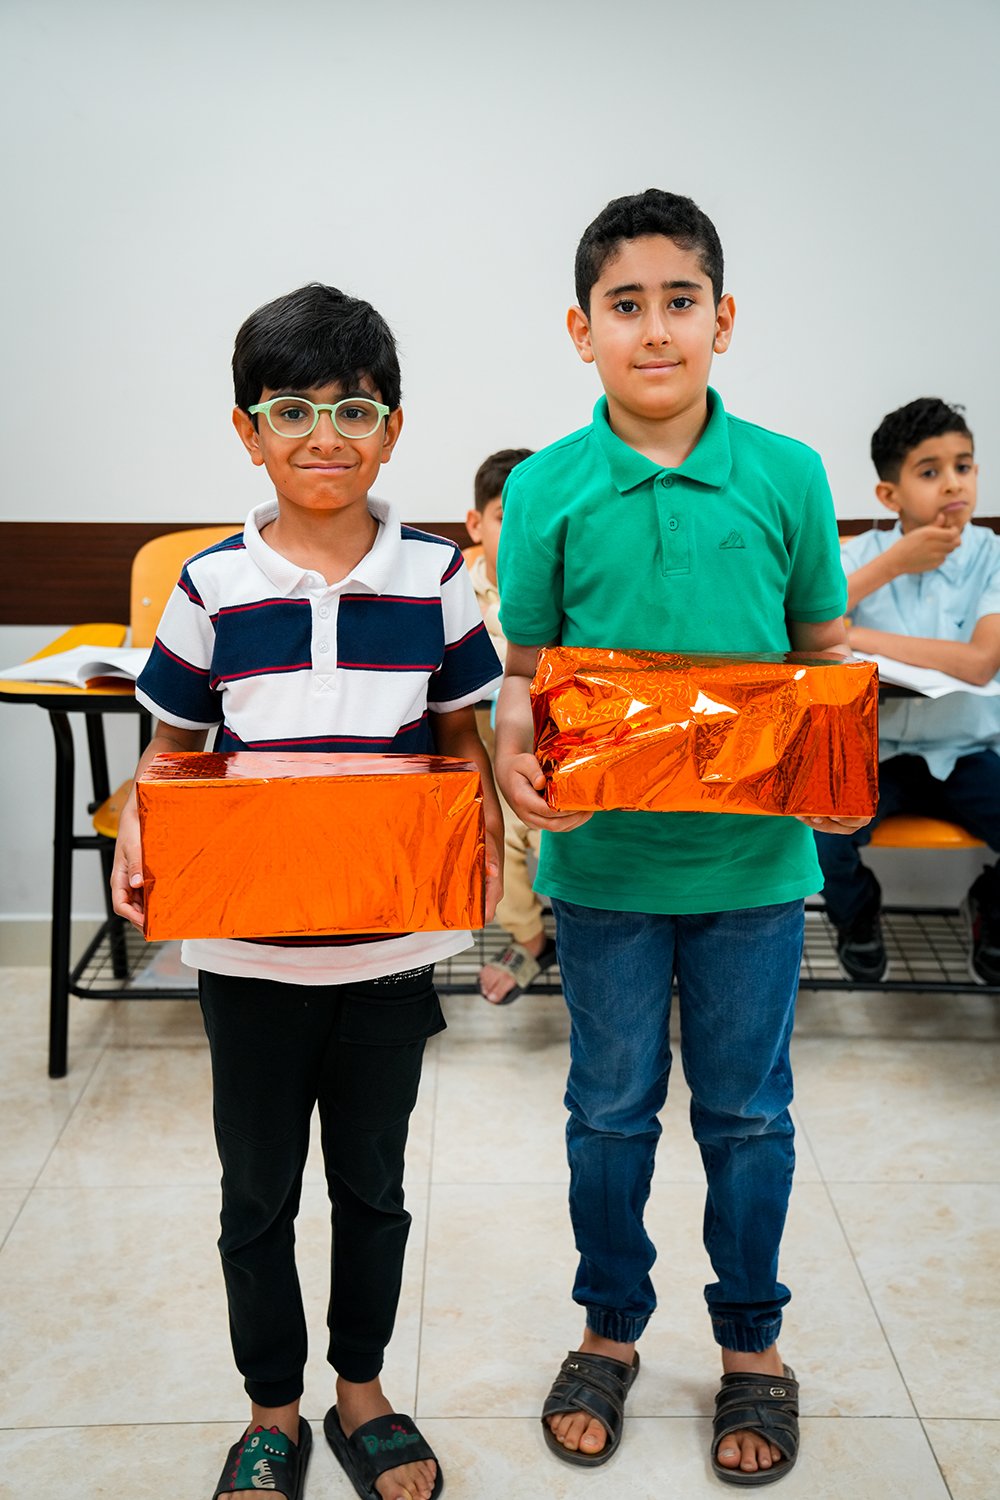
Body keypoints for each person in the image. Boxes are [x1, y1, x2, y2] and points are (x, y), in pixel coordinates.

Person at [493, 189, 868, 1485]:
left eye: (679, 301)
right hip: (602, 868)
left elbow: (820, 655)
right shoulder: (544, 486)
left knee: (748, 1115)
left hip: (753, 872)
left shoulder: (789, 474)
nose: (654, 330)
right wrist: (511, 750)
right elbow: (526, 670)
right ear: (581, 330)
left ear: (723, 318)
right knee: (608, 1112)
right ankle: (609, 1327)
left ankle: (753, 1346)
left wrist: (838, 770)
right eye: (625, 305)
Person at [110, 282, 504, 1500]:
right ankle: (271, 1410)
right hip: (249, 955)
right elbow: (172, 750)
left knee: (372, 1190)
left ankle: (362, 1392)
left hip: (389, 950)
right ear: (248, 431)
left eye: (352, 410)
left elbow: (461, 739)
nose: (323, 436)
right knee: (256, 1197)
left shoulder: (434, 576)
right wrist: (137, 827)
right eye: (291, 410)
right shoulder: (211, 586)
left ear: (392, 430)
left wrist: (489, 828)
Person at [814, 397, 1000, 985]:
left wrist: (859, 634)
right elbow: (809, 622)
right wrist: (893, 564)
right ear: (889, 495)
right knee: (821, 828)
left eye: (963, 467)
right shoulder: (862, 557)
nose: (953, 484)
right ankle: (857, 918)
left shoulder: (993, 557)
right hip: (880, 753)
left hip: (968, 751)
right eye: (929, 471)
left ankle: (991, 912)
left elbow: (980, 663)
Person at [465, 447, 559, 1003]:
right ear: (476, 524)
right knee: (489, 848)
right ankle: (531, 939)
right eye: (505, 517)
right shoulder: (456, 592)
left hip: (550, 762)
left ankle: (582, 939)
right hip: (481, 765)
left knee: (559, 842)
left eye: (534, 518)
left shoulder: (561, 591)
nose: (521, 532)